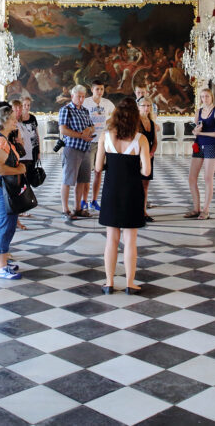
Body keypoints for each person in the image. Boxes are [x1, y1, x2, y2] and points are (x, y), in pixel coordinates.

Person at [97, 98, 152, 294]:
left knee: (111, 238)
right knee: (130, 239)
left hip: (111, 190)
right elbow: (146, 171)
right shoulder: (141, 139)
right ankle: (130, 283)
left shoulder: (105, 136)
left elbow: (97, 167)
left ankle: (109, 282)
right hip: (132, 191)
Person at [0, 105, 27, 279]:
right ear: (3, 121)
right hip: (1, 188)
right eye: (11, 118)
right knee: (4, 223)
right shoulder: (0, 140)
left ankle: (1, 261)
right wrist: (20, 170)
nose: (15, 121)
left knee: (7, 222)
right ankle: (0, 266)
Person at [58, 84, 94, 223]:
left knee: (83, 181)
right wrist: (80, 135)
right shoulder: (66, 110)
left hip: (85, 148)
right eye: (79, 96)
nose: (81, 99)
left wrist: (88, 131)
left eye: (83, 96)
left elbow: (91, 126)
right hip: (72, 148)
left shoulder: (85, 110)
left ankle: (78, 207)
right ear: (72, 96)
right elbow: (63, 130)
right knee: (68, 180)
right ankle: (65, 209)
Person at [186, 87, 215, 219]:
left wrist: (202, 132)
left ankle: (205, 210)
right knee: (192, 178)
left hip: (210, 145)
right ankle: (196, 208)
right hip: (198, 144)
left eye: (207, 96)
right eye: (202, 96)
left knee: (207, 178)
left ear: (211, 97)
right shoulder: (199, 111)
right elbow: (195, 129)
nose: (204, 99)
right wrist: (196, 130)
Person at [82, 80, 114, 212]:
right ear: (92, 90)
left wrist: (107, 122)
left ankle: (94, 200)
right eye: (97, 89)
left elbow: (116, 115)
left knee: (98, 171)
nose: (100, 92)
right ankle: (83, 200)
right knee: (86, 174)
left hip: (103, 141)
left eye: (101, 89)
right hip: (89, 141)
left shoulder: (107, 103)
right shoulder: (86, 102)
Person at [137, 95, 157, 222]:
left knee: (145, 184)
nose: (146, 108)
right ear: (138, 107)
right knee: (136, 184)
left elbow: (154, 142)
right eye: (143, 105)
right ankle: (134, 210)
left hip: (148, 157)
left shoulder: (152, 123)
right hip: (136, 157)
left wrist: (150, 153)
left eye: (148, 105)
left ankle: (143, 211)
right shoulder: (135, 122)